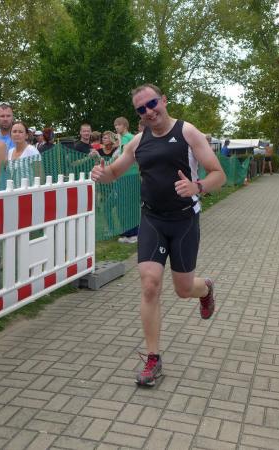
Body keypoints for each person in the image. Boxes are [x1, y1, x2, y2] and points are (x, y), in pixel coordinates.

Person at [90, 83, 226, 387]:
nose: (149, 112)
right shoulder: (138, 142)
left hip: (184, 220)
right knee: (150, 284)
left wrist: (197, 187)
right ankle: (153, 358)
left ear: (163, 100)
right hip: (152, 219)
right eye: (141, 109)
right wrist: (102, 174)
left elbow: (219, 174)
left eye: (152, 104)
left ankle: (205, 289)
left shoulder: (187, 132)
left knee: (183, 289)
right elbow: (114, 172)